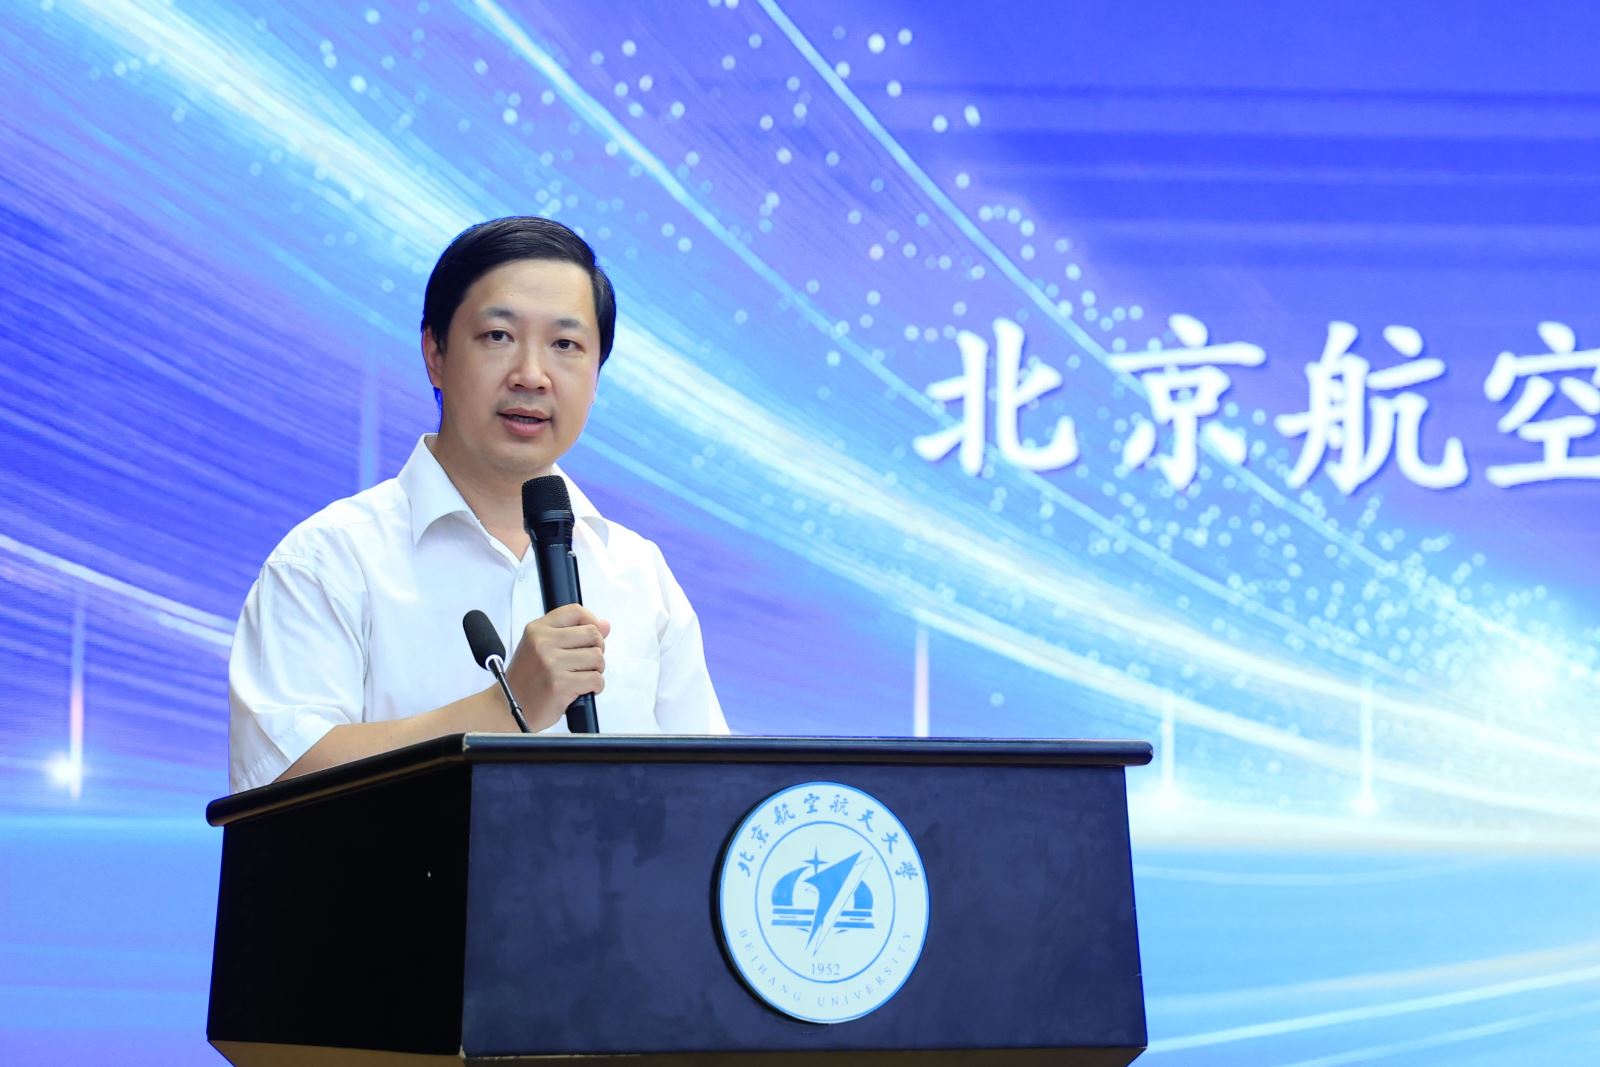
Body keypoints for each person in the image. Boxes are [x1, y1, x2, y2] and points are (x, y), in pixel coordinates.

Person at [228, 217, 727, 792]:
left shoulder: (639, 573)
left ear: (597, 376)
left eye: (565, 345)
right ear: (435, 352)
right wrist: (503, 709)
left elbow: (713, 788)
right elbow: (278, 780)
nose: (532, 375)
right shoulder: (329, 560)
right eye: (498, 336)